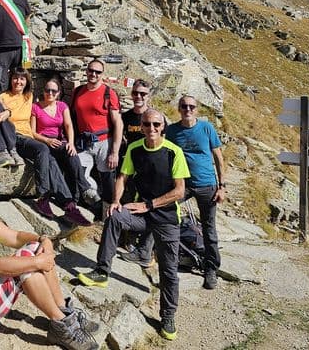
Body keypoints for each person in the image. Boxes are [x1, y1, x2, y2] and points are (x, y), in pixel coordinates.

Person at [0, 169, 99, 350]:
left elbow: (14, 237)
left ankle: (65, 315)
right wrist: (37, 262)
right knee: (29, 265)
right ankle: (61, 323)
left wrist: (44, 240)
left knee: (34, 253)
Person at [78, 109, 189, 342]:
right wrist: (117, 202)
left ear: (163, 127)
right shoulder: (135, 149)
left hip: (166, 218)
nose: (151, 129)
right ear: (141, 125)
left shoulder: (173, 152)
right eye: (147, 124)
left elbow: (179, 191)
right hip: (142, 213)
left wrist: (150, 205)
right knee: (115, 216)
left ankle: (167, 316)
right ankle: (102, 271)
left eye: (156, 124)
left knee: (168, 271)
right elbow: (122, 177)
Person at [0, 70, 91, 226]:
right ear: (10, 80)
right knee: (43, 149)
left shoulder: (28, 97)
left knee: (51, 161)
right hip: (15, 136)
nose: (18, 82)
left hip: (30, 138)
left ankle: (69, 206)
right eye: (15, 78)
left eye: (22, 79)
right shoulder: (3, 97)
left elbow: (66, 123)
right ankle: (43, 197)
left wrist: (69, 142)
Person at [165, 95, 226, 290]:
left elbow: (218, 157)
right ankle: (152, 253)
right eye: (184, 106)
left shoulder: (207, 128)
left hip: (208, 185)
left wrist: (222, 186)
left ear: (197, 109)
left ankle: (211, 269)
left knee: (209, 228)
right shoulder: (173, 130)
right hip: (183, 185)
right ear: (179, 108)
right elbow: (168, 154)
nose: (188, 110)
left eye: (191, 106)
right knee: (163, 213)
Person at [69, 59, 124, 204]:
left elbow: (118, 122)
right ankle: (95, 200)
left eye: (97, 72)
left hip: (104, 141)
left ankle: (108, 212)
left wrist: (114, 152)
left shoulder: (108, 93)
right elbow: (72, 118)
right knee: (78, 172)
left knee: (107, 178)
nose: (93, 74)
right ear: (86, 71)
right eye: (91, 70)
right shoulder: (77, 92)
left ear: (102, 74)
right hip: (83, 141)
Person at [118, 79, 156, 267]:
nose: (138, 97)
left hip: (151, 168)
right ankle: (130, 240)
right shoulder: (126, 117)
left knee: (149, 204)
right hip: (131, 165)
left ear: (149, 96)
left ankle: (146, 247)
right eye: (135, 93)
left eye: (142, 94)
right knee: (131, 202)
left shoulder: (154, 117)